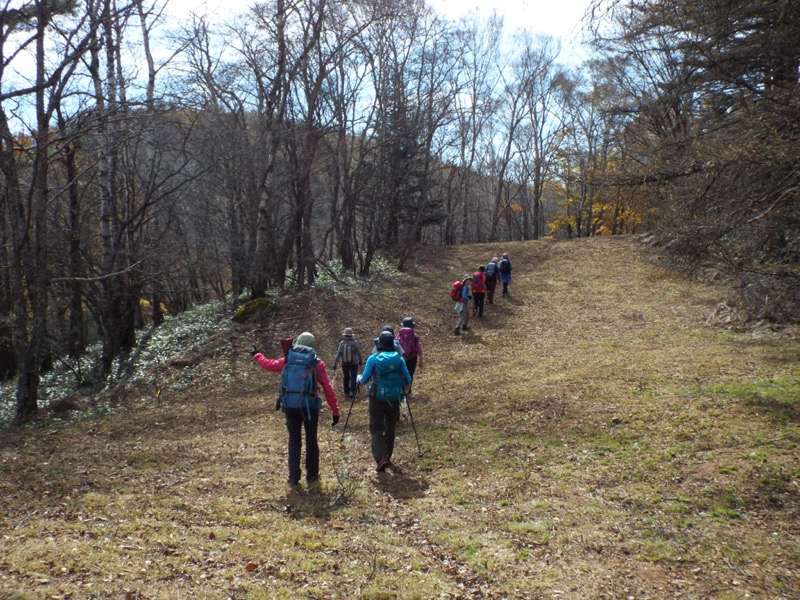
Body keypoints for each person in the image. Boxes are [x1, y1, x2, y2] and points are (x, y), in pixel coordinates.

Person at [251, 332, 340, 491]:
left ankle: (293, 477)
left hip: (290, 405)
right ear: (312, 345)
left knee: (294, 440)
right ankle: (312, 476)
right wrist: (335, 410)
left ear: (298, 342)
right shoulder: (316, 363)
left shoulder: (288, 360)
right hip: (310, 406)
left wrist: (257, 355)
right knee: (311, 440)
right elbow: (327, 388)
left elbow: (268, 364)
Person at [358, 331, 412, 472]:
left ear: (379, 345)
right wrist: (405, 390)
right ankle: (387, 456)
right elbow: (408, 379)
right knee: (390, 427)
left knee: (376, 428)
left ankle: (381, 458)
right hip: (394, 398)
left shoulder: (373, 359)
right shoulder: (399, 360)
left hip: (376, 398)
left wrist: (358, 379)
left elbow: (364, 380)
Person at [333, 327, 363, 400]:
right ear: (351, 335)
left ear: (345, 335)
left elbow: (338, 354)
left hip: (344, 363)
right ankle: (352, 391)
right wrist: (360, 361)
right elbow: (359, 353)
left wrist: (335, 363)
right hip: (354, 363)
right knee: (353, 377)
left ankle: (346, 391)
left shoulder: (342, 343)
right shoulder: (354, 343)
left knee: (346, 377)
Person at [396, 317, 423, 390]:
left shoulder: (399, 335)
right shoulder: (414, 336)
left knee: (401, 373)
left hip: (401, 357)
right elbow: (419, 349)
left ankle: (401, 389)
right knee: (410, 373)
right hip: (412, 357)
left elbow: (395, 345)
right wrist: (421, 361)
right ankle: (409, 389)